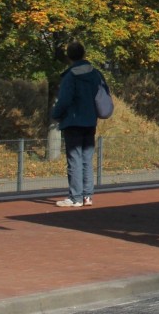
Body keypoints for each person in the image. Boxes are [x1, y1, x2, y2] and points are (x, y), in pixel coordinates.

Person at [51, 42, 107, 208]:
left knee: (74, 159)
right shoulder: (96, 74)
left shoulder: (70, 76)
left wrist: (55, 114)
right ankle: (87, 196)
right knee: (86, 159)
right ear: (84, 54)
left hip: (73, 121)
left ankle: (75, 196)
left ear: (69, 56)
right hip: (90, 120)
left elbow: (64, 100)